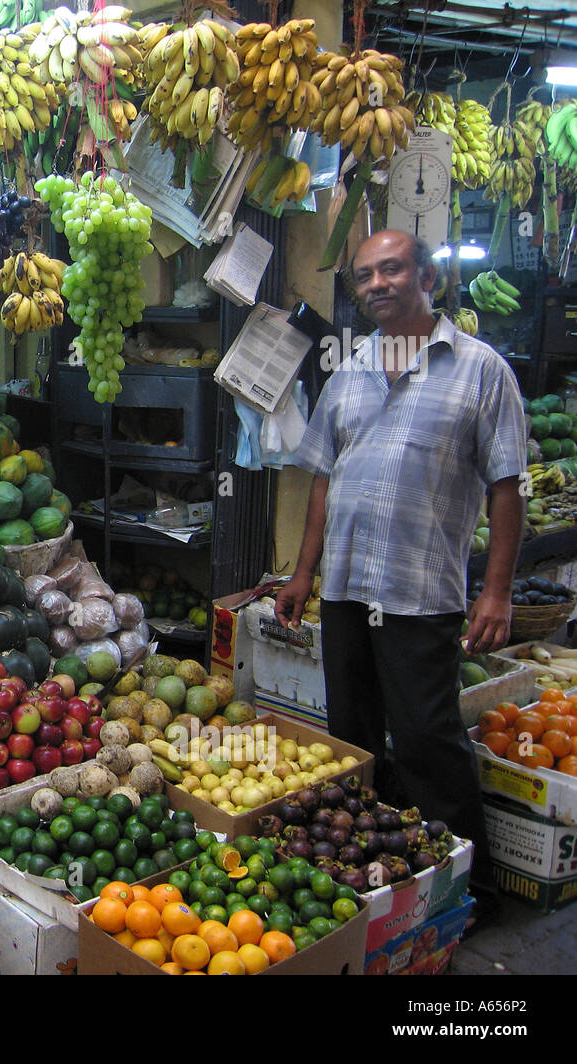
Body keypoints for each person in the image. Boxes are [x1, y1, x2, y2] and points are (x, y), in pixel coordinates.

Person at [275, 229, 527, 921]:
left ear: (426, 278)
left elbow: (509, 485)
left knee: (425, 741)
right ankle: (376, 876)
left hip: (420, 593)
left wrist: (498, 590)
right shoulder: (351, 370)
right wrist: (303, 573)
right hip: (347, 590)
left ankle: (468, 894)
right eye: (364, 276)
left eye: (391, 270)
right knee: (353, 738)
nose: (377, 284)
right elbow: (325, 477)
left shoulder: (480, 370)